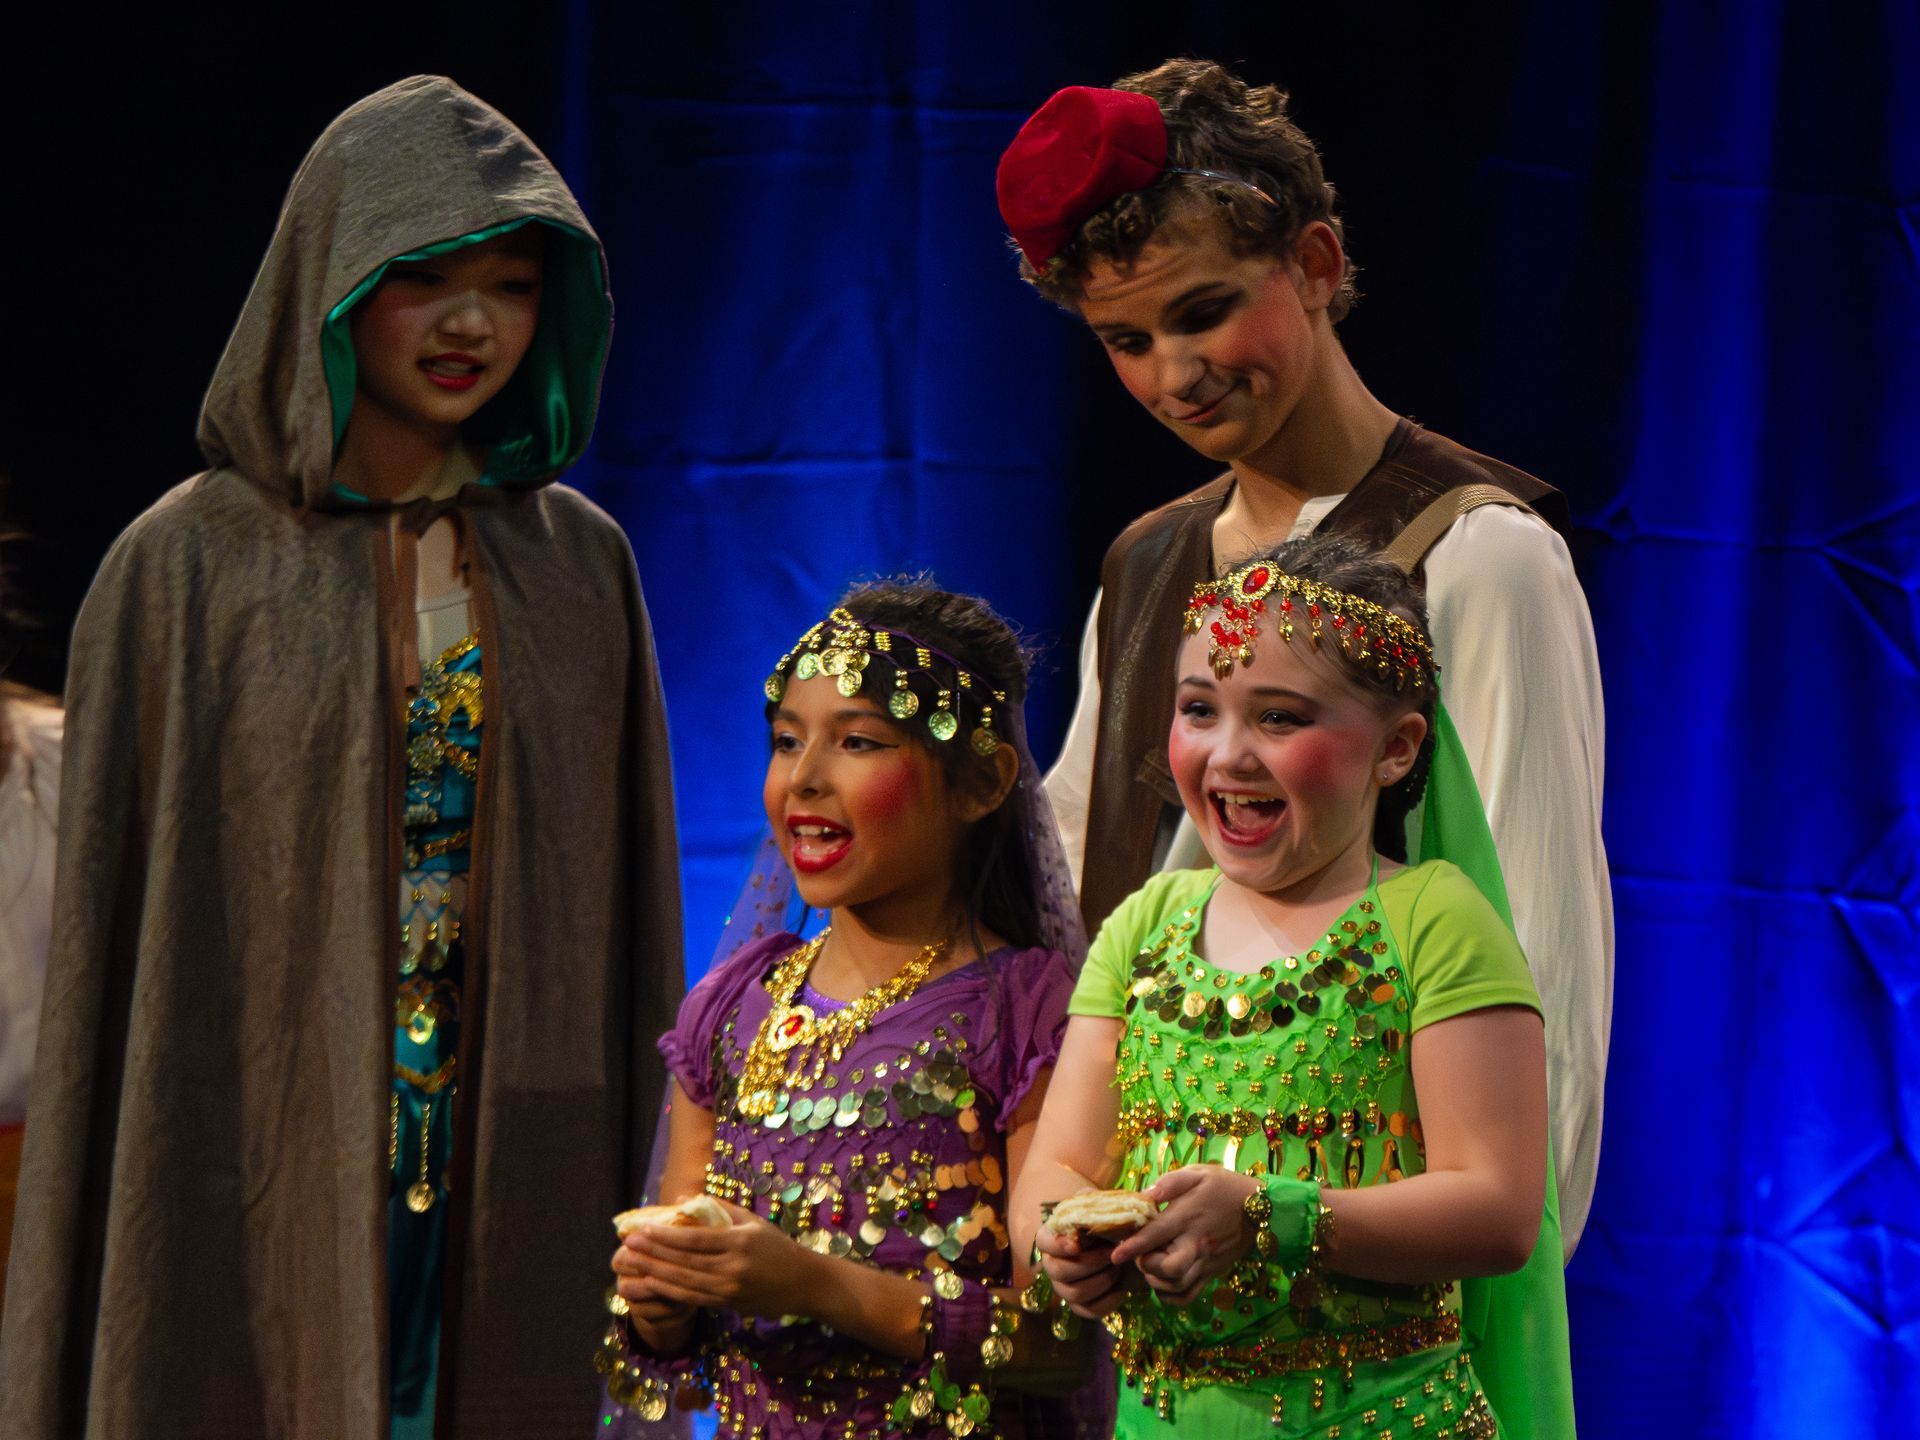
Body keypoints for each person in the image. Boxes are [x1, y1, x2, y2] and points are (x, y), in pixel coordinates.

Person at [0, 77, 682, 1440]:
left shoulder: (577, 565)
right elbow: (128, 952)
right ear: (331, 282)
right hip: (267, 1109)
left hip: (505, 1117)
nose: (475, 325)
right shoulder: (187, 567)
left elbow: (624, 902)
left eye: (512, 285)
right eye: (426, 280)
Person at [995, 59, 1611, 1256]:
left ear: (1317, 267)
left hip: (1376, 1251)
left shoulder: (1474, 554)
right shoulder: (1148, 563)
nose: (1176, 376)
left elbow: (1541, 951)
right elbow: (1073, 889)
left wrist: (1511, 1262)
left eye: (1206, 311)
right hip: (1159, 1251)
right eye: (1126, 339)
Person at [1019, 535, 1572, 1438]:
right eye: (1200, 709)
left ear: (1395, 749)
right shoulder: (1144, 925)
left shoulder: (1433, 920)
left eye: (1279, 718)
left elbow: (1499, 1211)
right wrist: (1057, 1244)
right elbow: (1059, 1166)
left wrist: (1273, 1216)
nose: (1228, 754)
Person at [602, 582, 1101, 1439]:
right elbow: (669, 1341)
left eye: (858, 741)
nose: (804, 779)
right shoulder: (731, 1010)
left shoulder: (1027, 1016)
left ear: (982, 780)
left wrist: (815, 1285)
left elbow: (1060, 1341)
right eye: (787, 741)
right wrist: (659, 1301)